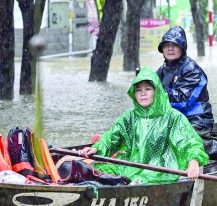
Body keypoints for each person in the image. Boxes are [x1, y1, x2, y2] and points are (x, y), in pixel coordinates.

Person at [79, 68, 209, 184]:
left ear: (156, 91)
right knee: (91, 169)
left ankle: (127, 184)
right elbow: (111, 139)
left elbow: (189, 142)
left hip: (160, 170)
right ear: (134, 94)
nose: (143, 94)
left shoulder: (173, 117)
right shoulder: (128, 117)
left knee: (143, 179)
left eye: (148, 89)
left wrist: (194, 161)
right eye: (138, 90)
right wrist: (96, 149)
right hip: (129, 165)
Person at [156, 26, 214, 138]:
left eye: (174, 45)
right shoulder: (163, 69)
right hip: (172, 118)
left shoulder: (192, 70)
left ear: (182, 48)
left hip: (196, 119)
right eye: (166, 45)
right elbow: (150, 86)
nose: (170, 49)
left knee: (187, 144)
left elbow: (182, 100)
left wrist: (156, 94)